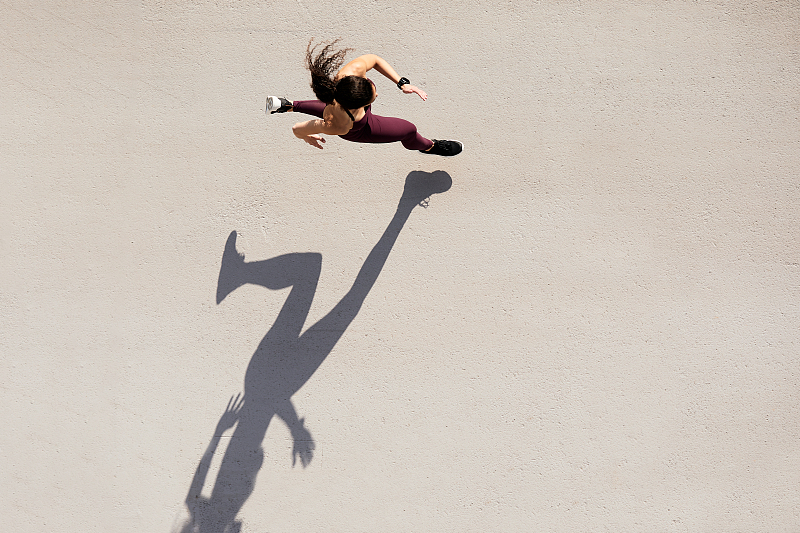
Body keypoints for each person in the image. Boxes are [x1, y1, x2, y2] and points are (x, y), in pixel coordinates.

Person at [265, 39, 462, 156]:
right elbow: (297, 128)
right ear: (361, 105)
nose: (377, 93)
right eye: (373, 97)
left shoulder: (348, 75)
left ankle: (286, 105)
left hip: (339, 108)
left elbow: (374, 59)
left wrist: (402, 83)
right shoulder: (337, 125)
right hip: (358, 129)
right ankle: (429, 147)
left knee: (328, 107)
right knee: (409, 130)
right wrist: (306, 136)